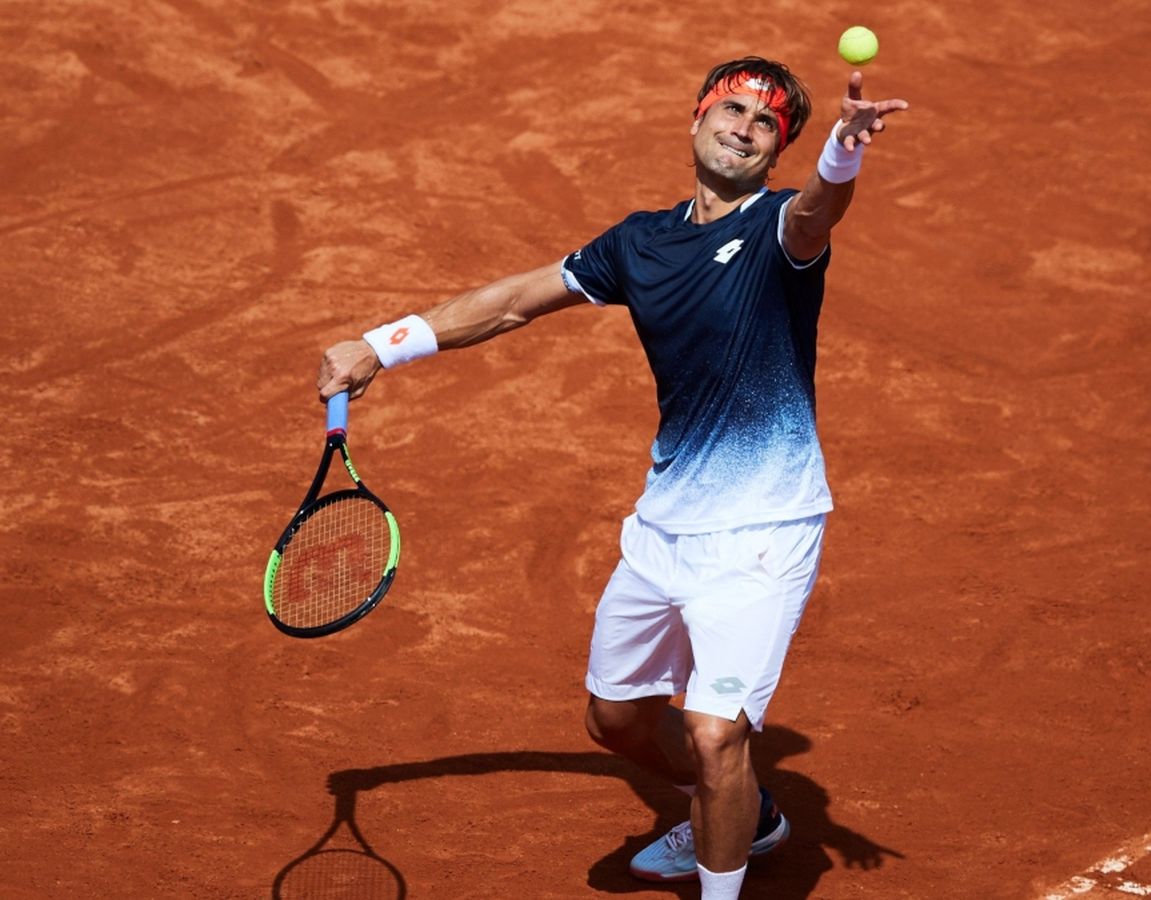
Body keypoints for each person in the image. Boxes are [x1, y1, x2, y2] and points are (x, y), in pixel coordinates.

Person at [317, 56, 908, 899]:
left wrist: (844, 151)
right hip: (664, 527)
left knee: (713, 735)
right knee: (616, 723)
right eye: (731, 109)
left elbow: (821, 210)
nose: (743, 126)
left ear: (779, 152)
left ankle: (720, 874)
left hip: (762, 533)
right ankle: (750, 818)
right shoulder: (640, 243)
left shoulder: (781, 230)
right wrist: (380, 345)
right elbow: (518, 299)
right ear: (697, 120)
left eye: (766, 123)